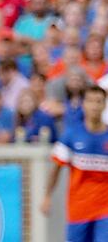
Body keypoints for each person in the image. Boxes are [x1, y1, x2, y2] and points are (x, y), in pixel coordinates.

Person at [42, 86, 108, 242]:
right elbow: (56, 169)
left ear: (104, 105)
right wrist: (47, 196)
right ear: (83, 104)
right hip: (79, 208)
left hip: (104, 209)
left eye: (98, 101)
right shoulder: (71, 134)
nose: (94, 106)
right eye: (90, 101)